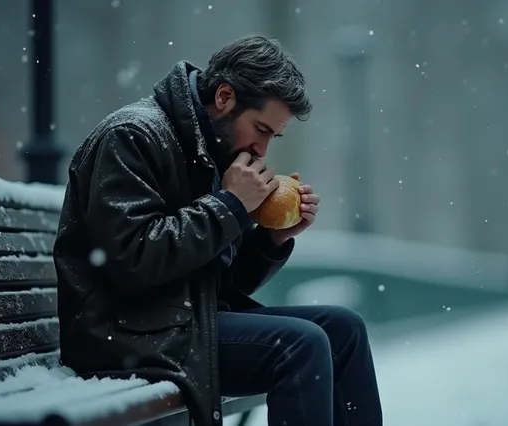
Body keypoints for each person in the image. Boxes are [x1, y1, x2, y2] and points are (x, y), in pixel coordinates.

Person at [53, 35, 383, 426]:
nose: (262, 150)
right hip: (124, 331)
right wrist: (230, 205)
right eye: (260, 129)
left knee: (344, 329)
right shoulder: (133, 136)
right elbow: (133, 261)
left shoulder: (209, 150)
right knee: (301, 345)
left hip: (181, 321)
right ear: (224, 97)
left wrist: (272, 239)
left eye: (271, 136)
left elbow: (225, 281)